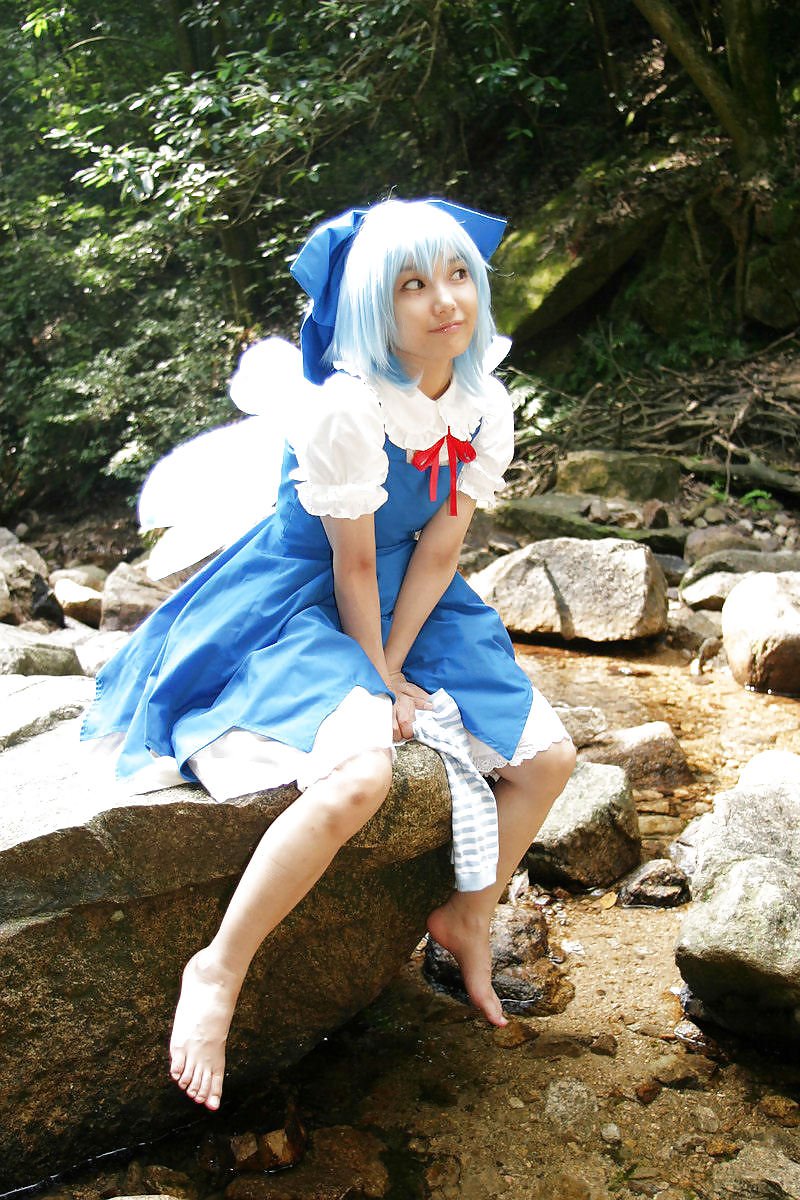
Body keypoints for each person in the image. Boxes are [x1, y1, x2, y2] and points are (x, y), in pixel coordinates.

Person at [81, 196, 576, 1113]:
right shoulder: (348, 408)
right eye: (412, 285)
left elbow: (439, 549)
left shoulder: (481, 402)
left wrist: (400, 660)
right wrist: (376, 676)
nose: (445, 301)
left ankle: (468, 914)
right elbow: (350, 563)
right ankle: (218, 967)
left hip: (412, 590)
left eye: (458, 275)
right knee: (359, 777)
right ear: (372, 308)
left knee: (549, 759)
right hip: (304, 593)